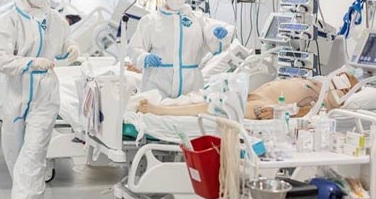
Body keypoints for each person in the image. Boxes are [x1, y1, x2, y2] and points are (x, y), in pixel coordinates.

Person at [0, 0, 79, 199]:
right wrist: (31, 63)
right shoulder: (10, 20)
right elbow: (0, 60)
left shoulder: (56, 20)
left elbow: (64, 48)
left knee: (34, 153)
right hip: (16, 93)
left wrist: (72, 49)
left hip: (45, 94)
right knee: (15, 155)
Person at [128, 0, 232, 99]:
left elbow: (212, 34)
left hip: (190, 84)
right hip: (157, 83)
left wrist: (218, 34)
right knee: (155, 114)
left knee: (189, 114)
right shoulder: (150, 20)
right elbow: (134, 48)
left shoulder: (196, 18)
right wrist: (145, 57)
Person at [136, 72, 359, 120]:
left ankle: (161, 111)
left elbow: (307, 113)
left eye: (345, 81)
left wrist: (279, 114)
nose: (342, 77)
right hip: (260, 93)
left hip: (268, 105)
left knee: (213, 109)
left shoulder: (329, 100)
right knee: (209, 102)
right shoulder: (320, 82)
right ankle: (163, 108)